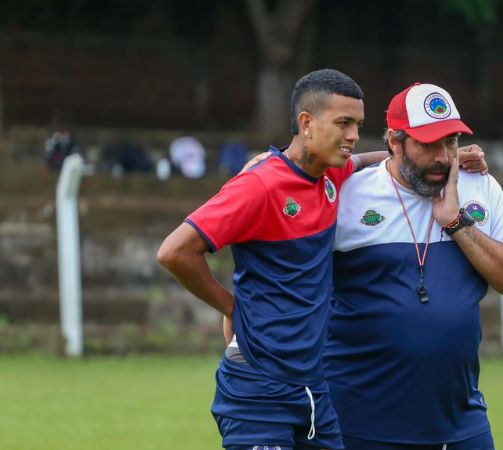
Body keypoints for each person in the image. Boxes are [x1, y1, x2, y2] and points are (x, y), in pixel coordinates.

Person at [157, 69, 384, 450]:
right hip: (258, 389)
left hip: (312, 390)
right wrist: (231, 306)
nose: (353, 136)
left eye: (358, 125)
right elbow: (174, 251)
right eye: (343, 123)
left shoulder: (330, 175)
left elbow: (364, 161)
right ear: (306, 123)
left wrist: (440, 156)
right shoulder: (259, 185)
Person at [323, 83, 503, 449]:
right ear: (394, 142)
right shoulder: (348, 194)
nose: (443, 156)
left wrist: (457, 224)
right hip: (359, 424)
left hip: (461, 422)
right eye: (428, 144)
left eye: (451, 142)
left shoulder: (479, 187)